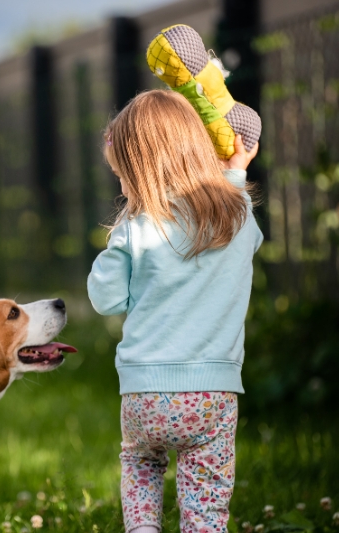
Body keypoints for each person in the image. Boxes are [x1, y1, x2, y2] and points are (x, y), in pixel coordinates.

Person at [87, 89, 262, 533]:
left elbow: (105, 299)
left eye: (123, 176)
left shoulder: (135, 228)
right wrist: (236, 173)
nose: (123, 187)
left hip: (144, 394)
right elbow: (240, 218)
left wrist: (118, 239)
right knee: (206, 505)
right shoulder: (236, 216)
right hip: (213, 395)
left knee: (142, 467)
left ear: (141, 171)